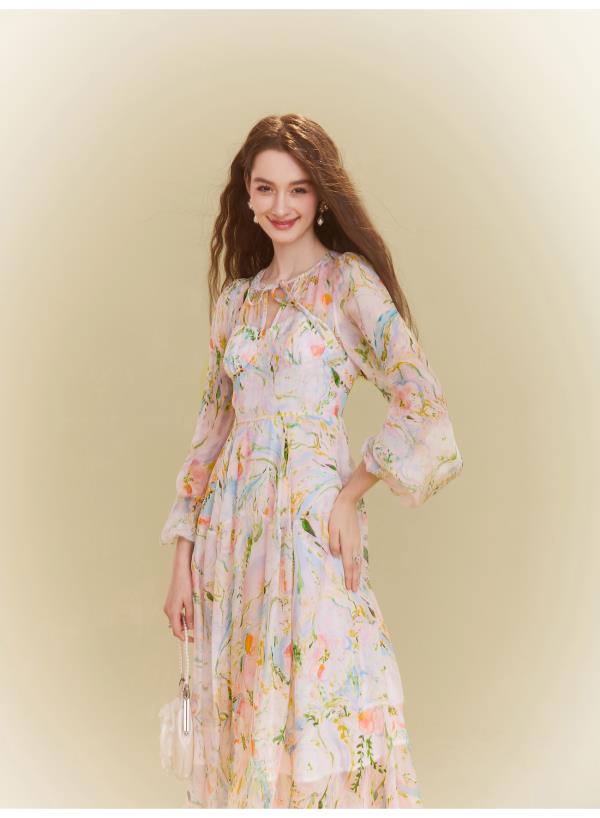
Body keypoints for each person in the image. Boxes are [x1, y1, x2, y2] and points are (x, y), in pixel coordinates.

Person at [160, 113, 463, 808]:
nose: (281, 206)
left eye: (297, 189)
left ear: (321, 195)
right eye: (266, 188)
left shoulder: (347, 284)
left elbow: (422, 400)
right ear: (246, 193)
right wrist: (180, 555)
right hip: (229, 543)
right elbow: (210, 433)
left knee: (323, 699)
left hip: (308, 530)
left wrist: (351, 494)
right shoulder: (236, 303)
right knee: (248, 707)